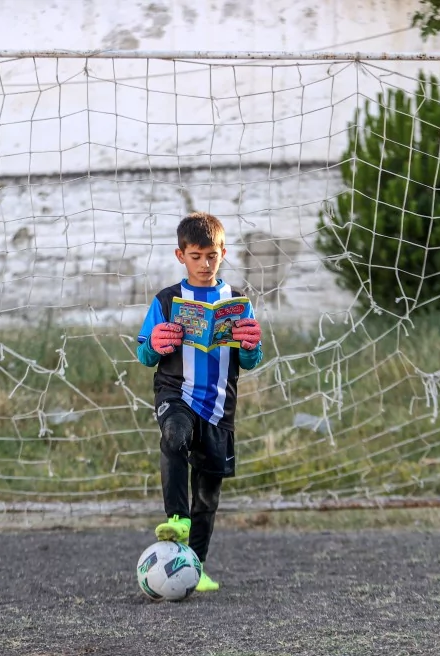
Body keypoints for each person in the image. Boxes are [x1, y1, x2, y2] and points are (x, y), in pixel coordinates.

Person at [136, 212, 263, 592]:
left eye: (212, 256)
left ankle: (196, 566)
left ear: (223, 253)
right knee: (174, 435)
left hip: (220, 406)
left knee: (208, 495)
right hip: (176, 393)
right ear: (181, 256)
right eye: (196, 256)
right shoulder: (166, 300)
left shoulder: (237, 302)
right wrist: (155, 344)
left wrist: (251, 346)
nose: (205, 264)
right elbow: (144, 354)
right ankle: (176, 518)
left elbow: (250, 360)